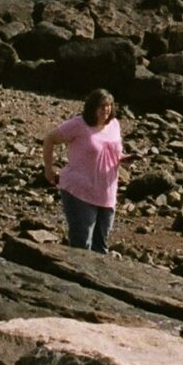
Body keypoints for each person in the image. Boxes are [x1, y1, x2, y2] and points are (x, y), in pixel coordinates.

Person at [43, 88, 123, 252]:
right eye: (101, 106)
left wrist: (126, 158)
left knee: (101, 247)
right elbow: (50, 139)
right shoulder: (79, 124)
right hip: (79, 191)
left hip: (106, 193)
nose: (106, 110)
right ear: (92, 107)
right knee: (82, 245)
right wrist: (48, 168)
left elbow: (114, 153)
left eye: (108, 105)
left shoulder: (114, 125)